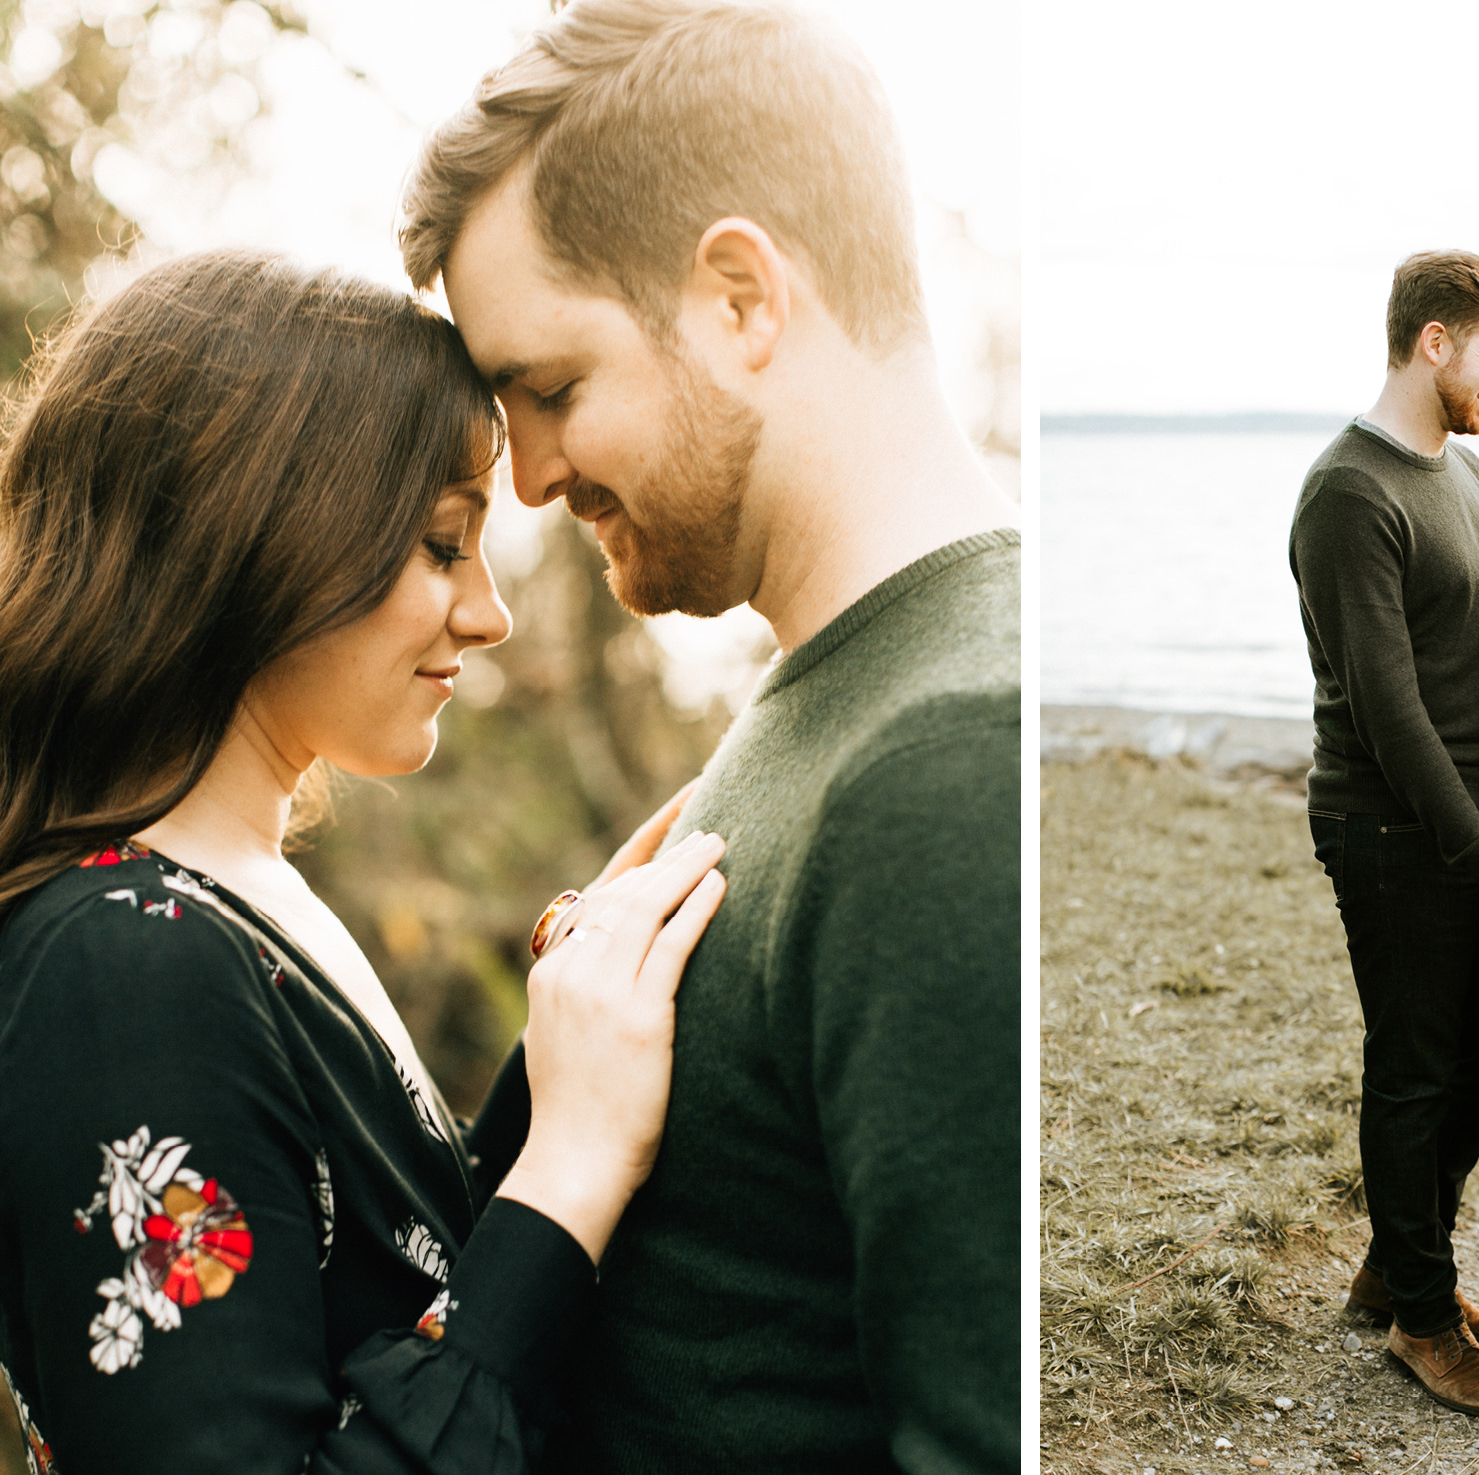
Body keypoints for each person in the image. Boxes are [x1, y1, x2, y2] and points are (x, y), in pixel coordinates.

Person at [397, 3, 1021, 1469]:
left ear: (741, 297)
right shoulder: (840, 699)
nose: (533, 476)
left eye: (551, 390)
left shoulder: (944, 763)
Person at [0, 251, 729, 1471]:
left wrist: (569, 1034)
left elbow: (380, 1276)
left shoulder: (233, 902)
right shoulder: (122, 965)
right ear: (256, 539)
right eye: (443, 544)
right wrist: (572, 1163)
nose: (489, 610)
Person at [1290, 249, 1479, 1422]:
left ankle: (1404, 1261)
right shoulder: (1349, 492)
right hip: (1390, 824)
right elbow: (1390, 714)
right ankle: (1417, 1313)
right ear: (1434, 342)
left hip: (1475, 812)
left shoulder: (1465, 477)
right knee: (1410, 1068)